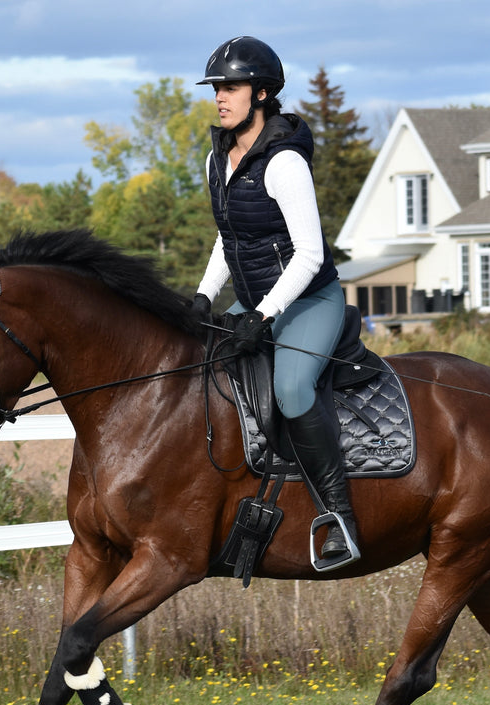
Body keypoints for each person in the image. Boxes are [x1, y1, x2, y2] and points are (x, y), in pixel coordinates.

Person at [193, 36, 358, 570]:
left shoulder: (285, 163)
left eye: (231, 87)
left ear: (262, 94)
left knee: (290, 389)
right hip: (258, 301)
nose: (220, 96)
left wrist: (262, 315)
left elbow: (310, 254)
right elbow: (230, 236)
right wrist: (203, 294)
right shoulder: (218, 157)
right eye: (217, 87)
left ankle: (339, 519)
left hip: (311, 300)